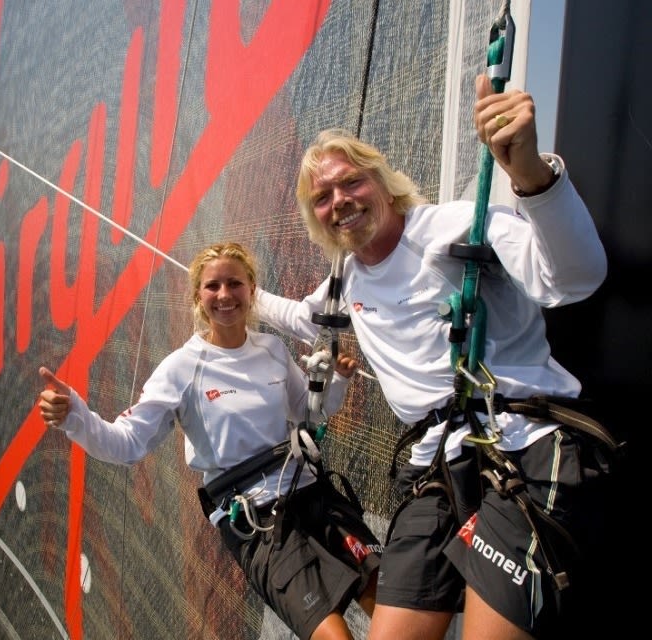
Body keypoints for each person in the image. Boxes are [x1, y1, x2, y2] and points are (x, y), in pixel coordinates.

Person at [256, 74, 620, 640]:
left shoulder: (459, 228)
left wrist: (530, 176)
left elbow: (573, 279)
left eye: (350, 182)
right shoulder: (342, 281)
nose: (339, 203)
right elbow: (301, 319)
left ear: (384, 182)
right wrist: (239, 292)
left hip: (520, 446)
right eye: (321, 199)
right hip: (438, 471)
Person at [37, 241, 381, 640]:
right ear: (197, 296)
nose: (224, 295)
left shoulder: (270, 349)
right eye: (212, 286)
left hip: (312, 493)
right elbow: (127, 444)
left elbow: (308, 412)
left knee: (389, 601)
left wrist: (335, 381)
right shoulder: (181, 369)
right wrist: (74, 416)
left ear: (251, 289)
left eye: (234, 283)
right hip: (257, 523)